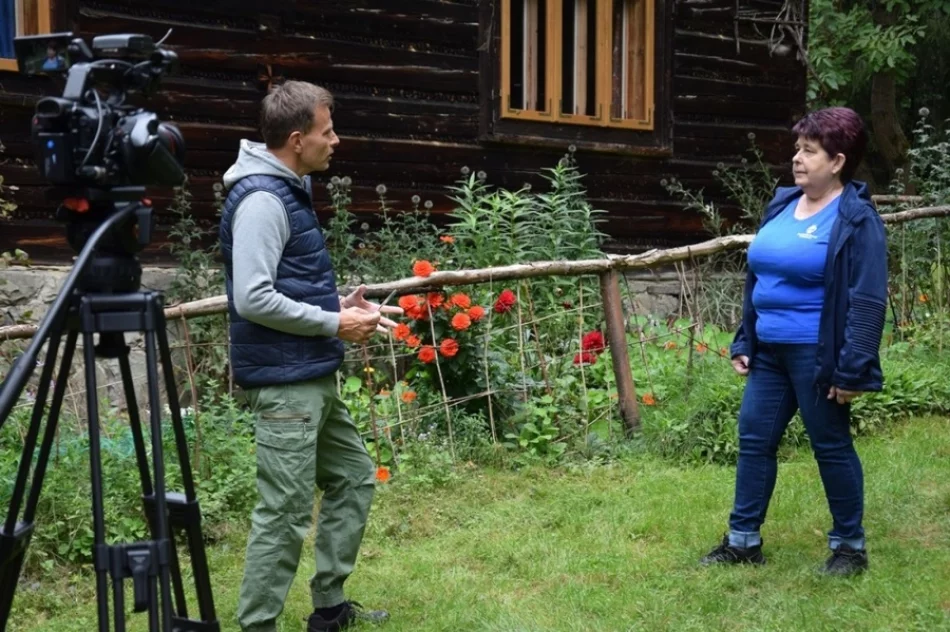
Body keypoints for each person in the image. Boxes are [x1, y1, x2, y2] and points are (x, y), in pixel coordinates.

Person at [219, 80, 401, 632]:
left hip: (310, 374)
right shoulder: (261, 199)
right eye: (327, 132)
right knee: (284, 512)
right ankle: (258, 627)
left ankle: (329, 607)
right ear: (297, 139)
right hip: (286, 384)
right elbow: (253, 298)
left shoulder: (287, 188)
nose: (335, 141)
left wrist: (336, 304)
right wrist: (333, 322)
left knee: (354, 476)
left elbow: (281, 286)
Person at [700, 107, 887, 576]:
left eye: (810, 151)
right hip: (770, 353)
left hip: (817, 353)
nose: (797, 158)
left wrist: (853, 368)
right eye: (797, 149)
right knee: (754, 439)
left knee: (830, 443)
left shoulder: (855, 218)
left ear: (838, 161)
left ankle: (849, 548)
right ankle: (743, 542)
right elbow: (759, 278)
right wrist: (746, 337)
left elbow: (867, 299)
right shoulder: (783, 204)